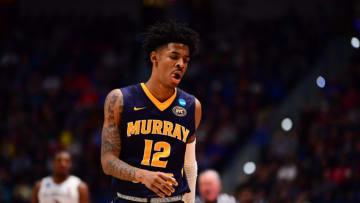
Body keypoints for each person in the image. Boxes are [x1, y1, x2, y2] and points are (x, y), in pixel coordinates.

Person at [100, 20, 201, 203]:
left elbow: (189, 165)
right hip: (128, 199)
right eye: (174, 56)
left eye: (185, 60)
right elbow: (107, 162)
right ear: (155, 57)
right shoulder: (120, 99)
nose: (181, 64)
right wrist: (142, 175)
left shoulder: (192, 106)